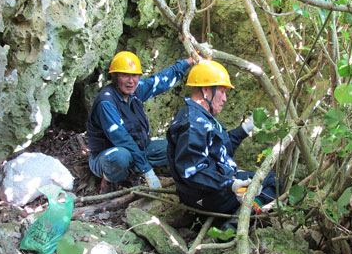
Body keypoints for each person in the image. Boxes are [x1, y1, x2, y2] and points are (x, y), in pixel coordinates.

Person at [166, 59, 282, 215]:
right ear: (206, 90)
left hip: (212, 188)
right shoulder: (193, 124)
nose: (225, 99)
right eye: (222, 91)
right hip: (206, 196)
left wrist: (245, 129)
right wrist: (231, 184)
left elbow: (218, 148)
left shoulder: (200, 117)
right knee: (273, 184)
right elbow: (193, 172)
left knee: (270, 180)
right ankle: (236, 223)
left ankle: (243, 211)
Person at [87, 51, 194, 194]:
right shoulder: (106, 102)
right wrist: (148, 172)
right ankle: (109, 180)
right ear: (115, 77)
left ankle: (133, 172)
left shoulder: (135, 91)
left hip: (141, 149)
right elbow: (122, 139)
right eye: (125, 75)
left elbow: (160, 81)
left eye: (135, 75)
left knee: (177, 145)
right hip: (109, 157)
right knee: (121, 157)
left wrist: (188, 62)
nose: (131, 81)